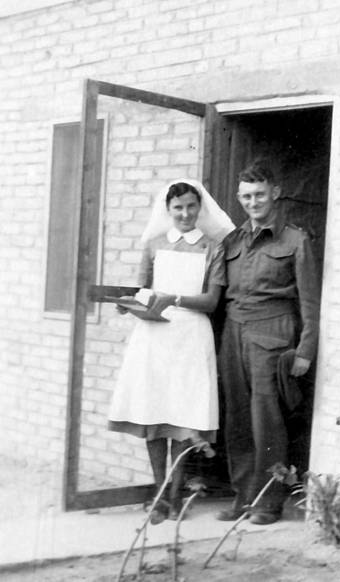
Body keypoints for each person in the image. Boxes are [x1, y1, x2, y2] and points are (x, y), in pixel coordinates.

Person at [108, 179, 234, 524]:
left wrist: (174, 299)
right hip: (154, 336)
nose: (185, 213)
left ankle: (176, 495)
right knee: (153, 411)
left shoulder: (213, 247)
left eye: (191, 206)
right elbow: (143, 292)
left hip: (191, 337)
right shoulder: (153, 244)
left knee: (181, 414)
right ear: (168, 210)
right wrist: (127, 305)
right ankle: (160, 492)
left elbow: (211, 301)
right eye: (178, 208)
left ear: (200, 208)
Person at [213, 159, 320, 525]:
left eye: (259, 194)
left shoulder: (295, 239)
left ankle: (268, 501)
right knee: (238, 419)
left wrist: (305, 349)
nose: (253, 202)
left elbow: (309, 300)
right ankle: (243, 496)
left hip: (272, 333)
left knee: (267, 421)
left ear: (275, 193)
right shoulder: (233, 240)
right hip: (234, 333)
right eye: (246, 196)